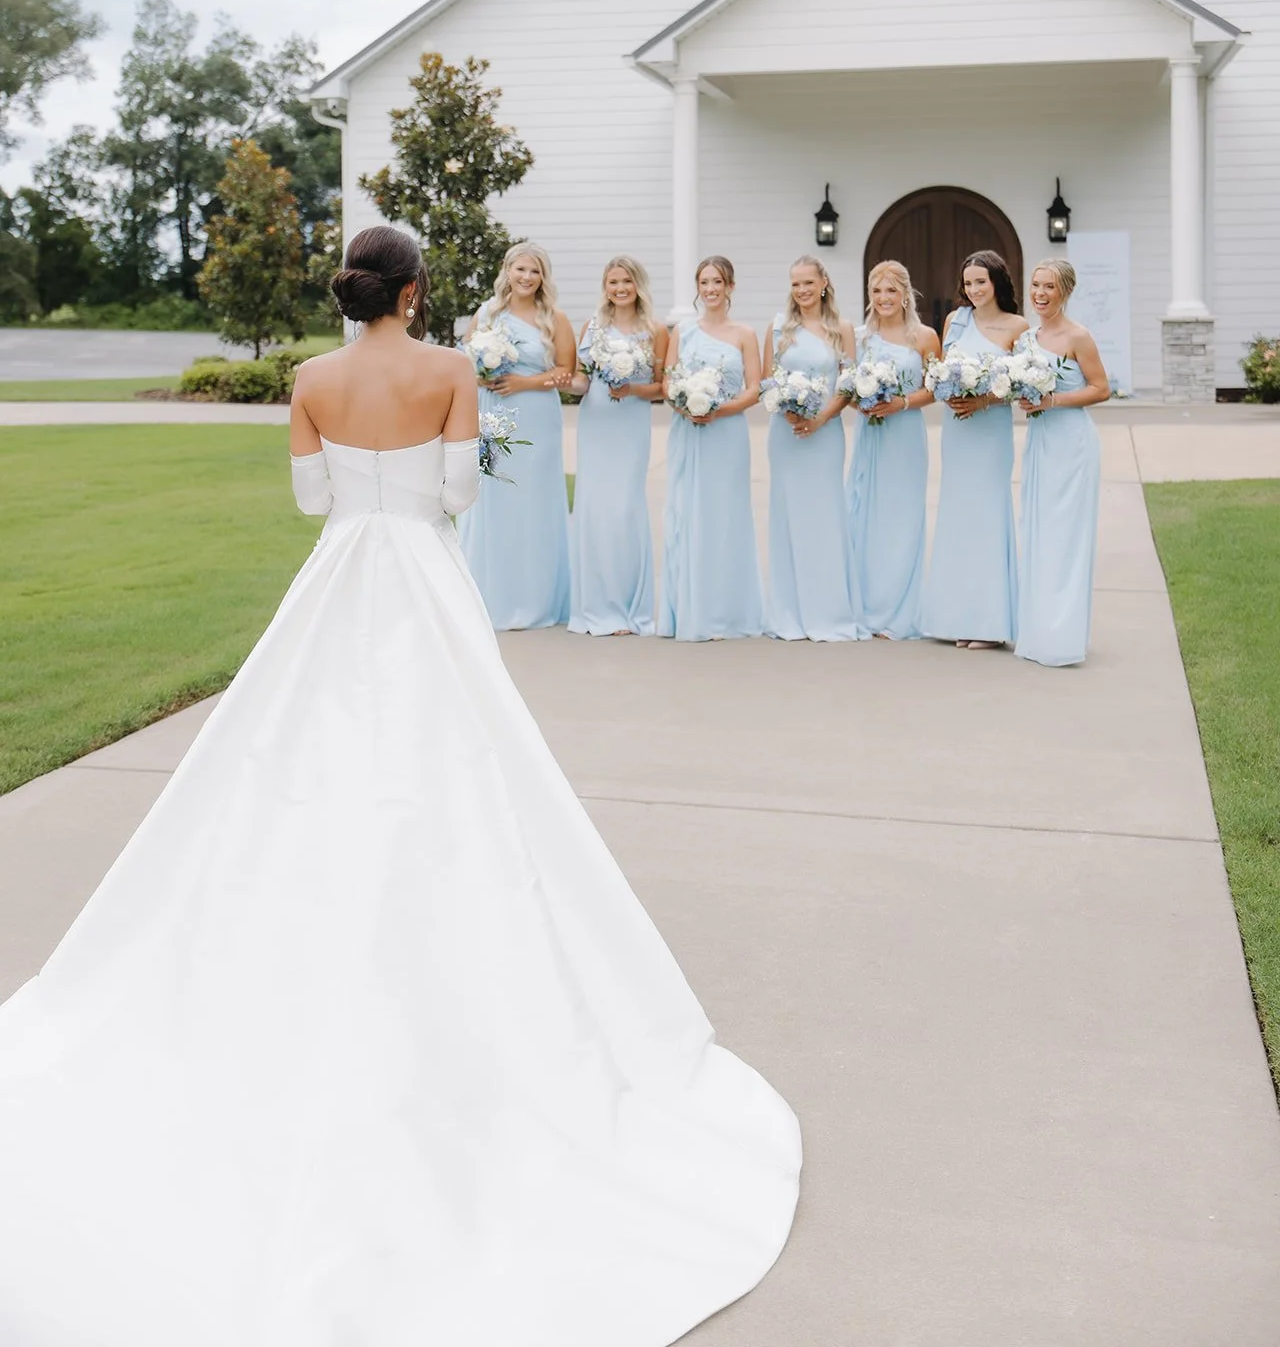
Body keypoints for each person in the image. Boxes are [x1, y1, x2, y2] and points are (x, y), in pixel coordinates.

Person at [0, 227, 801, 1345]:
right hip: (422, 572)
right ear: (416, 293)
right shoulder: (451, 369)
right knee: (464, 760)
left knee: (289, 752)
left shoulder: (311, 378)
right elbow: (464, 495)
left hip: (340, 571)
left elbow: (307, 503)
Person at [458, 241, 575, 629]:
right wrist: (483, 374)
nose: (527, 278)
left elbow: (565, 373)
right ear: (507, 271)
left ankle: (536, 599)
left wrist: (524, 382)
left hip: (537, 417)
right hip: (492, 414)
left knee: (533, 503)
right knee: (494, 502)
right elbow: (465, 366)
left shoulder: (554, 318)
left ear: (543, 277)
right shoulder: (486, 314)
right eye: (520, 269)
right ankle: (490, 596)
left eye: (535, 271)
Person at [921, 249, 1027, 649]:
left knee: (987, 515)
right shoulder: (955, 320)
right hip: (957, 430)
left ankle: (988, 624)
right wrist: (949, 393)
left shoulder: (1017, 326)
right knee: (957, 515)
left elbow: (1021, 384)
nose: (974, 289)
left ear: (997, 280)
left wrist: (984, 400)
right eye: (968, 283)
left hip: (990, 429)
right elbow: (942, 372)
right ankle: (955, 618)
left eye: (981, 281)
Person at [658, 255, 764, 641]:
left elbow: (754, 388)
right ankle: (689, 609)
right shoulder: (683, 332)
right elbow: (668, 383)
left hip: (728, 433)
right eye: (704, 282)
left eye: (717, 282)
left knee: (725, 517)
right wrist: (686, 403)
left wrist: (720, 409)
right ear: (698, 288)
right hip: (688, 431)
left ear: (730, 287)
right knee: (688, 514)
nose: (711, 289)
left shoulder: (745, 334)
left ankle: (726, 611)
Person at [762, 256, 866, 641]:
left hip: (826, 433)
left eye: (808, 282)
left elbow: (848, 383)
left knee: (824, 515)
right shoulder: (778, 328)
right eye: (795, 284)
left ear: (824, 282)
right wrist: (787, 409)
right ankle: (788, 611)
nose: (802, 290)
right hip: (785, 433)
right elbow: (766, 380)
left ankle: (827, 611)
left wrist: (821, 418)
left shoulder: (841, 329)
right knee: (788, 516)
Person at [1015, 257, 1110, 666]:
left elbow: (1101, 389)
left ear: (1065, 292)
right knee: (1039, 534)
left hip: (1073, 445)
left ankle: (1064, 637)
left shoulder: (1079, 336)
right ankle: (1038, 631)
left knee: (1067, 537)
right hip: (1040, 441)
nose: (1040, 293)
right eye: (1036, 285)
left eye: (1049, 287)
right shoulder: (1026, 340)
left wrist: (1053, 399)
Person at [568, 256, 668, 636]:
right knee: (595, 508)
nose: (620, 288)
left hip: (631, 422)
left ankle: (630, 605)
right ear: (605, 287)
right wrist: (564, 383)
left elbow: (661, 387)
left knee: (625, 508)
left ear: (638, 285)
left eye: (626, 281)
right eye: (613, 282)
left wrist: (632, 389)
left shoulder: (656, 330)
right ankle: (596, 604)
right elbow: (581, 379)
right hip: (597, 422)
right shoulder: (592, 327)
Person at [845, 260, 941, 639]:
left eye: (890, 291)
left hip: (904, 437)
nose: (883, 298)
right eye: (876, 291)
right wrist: (862, 403)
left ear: (905, 295)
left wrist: (899, 403)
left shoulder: (924, 337)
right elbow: (848, 386)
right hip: (871, 434)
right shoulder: (859, 338)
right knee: (865, 514)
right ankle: (864, 605)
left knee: (901, 517)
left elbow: (936, 388)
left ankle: (897, 612)